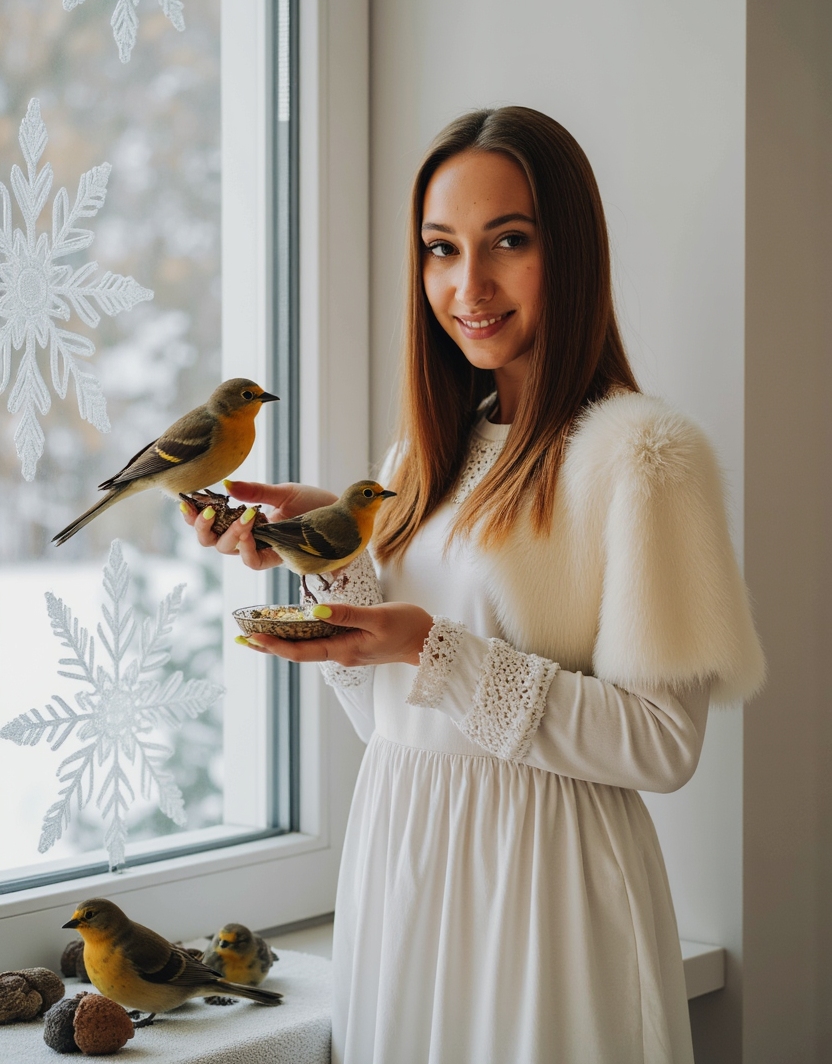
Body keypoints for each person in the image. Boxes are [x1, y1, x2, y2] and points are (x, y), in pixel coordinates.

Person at [184, 107, 765, 1064]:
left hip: (545, 894)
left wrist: (429, 647)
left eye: (509, 241)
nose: (469, 285)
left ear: (568, 251)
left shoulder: (644, 457)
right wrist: (331, 560)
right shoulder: (420, 455)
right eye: (440, 248)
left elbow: (663, 746)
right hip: (403, 869)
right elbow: (395, 722)